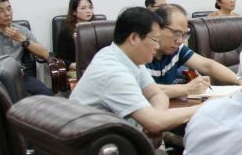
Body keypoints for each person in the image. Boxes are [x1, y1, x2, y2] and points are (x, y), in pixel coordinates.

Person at [70, 7, 199, 137]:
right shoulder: (114, 73)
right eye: (155, 40)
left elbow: (157, 94)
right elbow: (155, 123)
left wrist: (156, 117)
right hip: (97, 144)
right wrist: (205, 107)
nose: (157, 46)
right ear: (134, 38)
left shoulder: (129, 58)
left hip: (122, 136)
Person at [147, 4, 242, 96]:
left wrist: (239, 80)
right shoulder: (143, 54)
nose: (180, 41)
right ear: (157, 28)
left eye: (184, 35)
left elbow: (208, 65)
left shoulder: (177, 49)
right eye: (176, 33)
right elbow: (145, 90)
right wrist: (187, 89)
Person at [54, 0, 95, 64]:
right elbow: (60, 58)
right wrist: (73, 65)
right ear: (74, 12)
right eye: (83, 8)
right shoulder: (66, 31)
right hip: (76, 66)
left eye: (90, 7)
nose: (88, 11)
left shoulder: (97, 28)